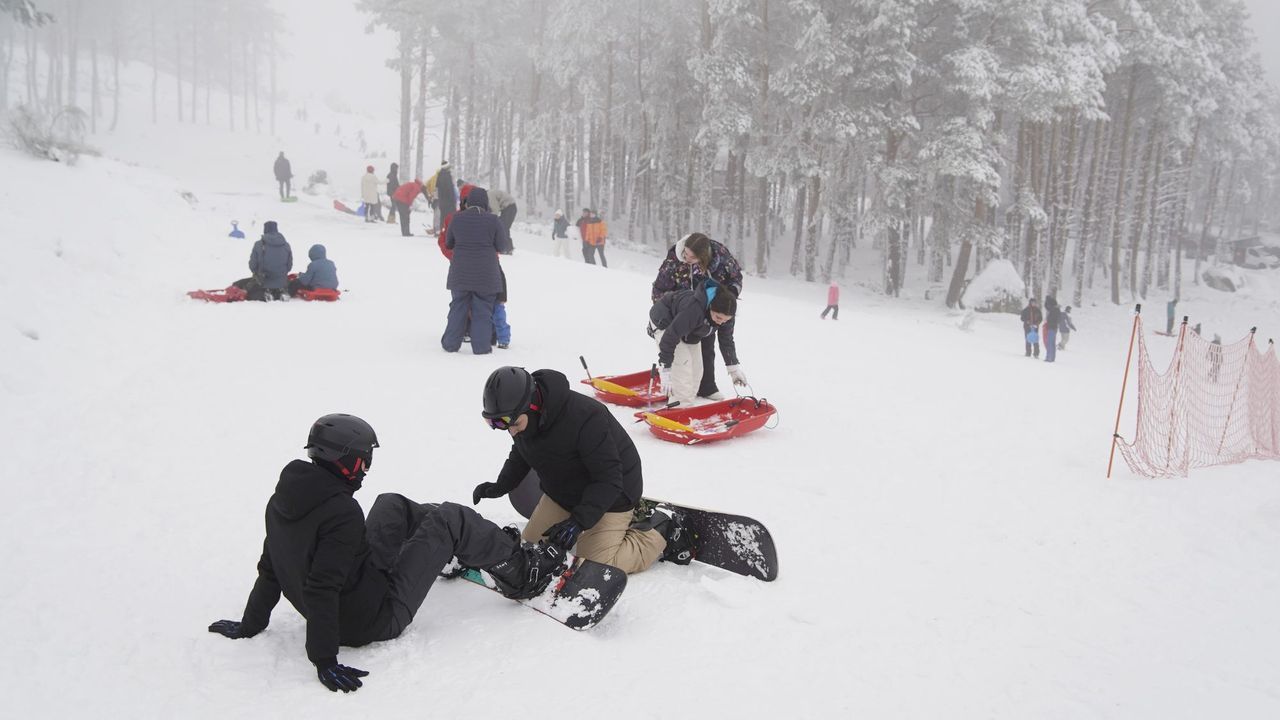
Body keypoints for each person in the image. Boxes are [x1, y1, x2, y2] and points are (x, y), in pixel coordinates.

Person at [207, 414, 567, 694]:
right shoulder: (340, 513)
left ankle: (457, 547)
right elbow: (321, 587)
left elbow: (272, 566)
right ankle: (524, 575)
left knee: (390, 504)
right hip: (374, 617)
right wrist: (323, 659)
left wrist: (250, 624)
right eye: (363, 460)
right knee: (451, 518)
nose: (365, 468)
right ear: (343, 460)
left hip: (361, 586)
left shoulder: (284, 501)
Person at [471, 367, 692, 574]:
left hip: (614, 494)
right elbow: (521, 453)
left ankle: (661, 527)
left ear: (533, 406)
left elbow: (609, 479)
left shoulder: (585, 417)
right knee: (529, 549)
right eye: (497, 424)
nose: (510, 432)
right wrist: (501, 485)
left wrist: (578, 522)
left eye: (513, 423)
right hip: (564, 493)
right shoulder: (525, 424)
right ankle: (603, 527)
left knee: (592, 567)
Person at [651, 232, 745, 399]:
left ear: (703, 256)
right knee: (680, 352)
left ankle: (706, 387)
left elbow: (735, 278)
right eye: (685, 254)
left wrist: (724, 301)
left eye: (692, 257)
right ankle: (679, 392)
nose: (686, 258)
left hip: (715, 305)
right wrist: (665, 318)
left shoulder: (721, 258)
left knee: (705, 348)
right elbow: (661, 286)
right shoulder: (676, 258)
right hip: (680, 309)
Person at [649, 279, 744, 405]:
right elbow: (669, 338)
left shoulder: (727, 312)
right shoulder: (694, 310)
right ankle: (679, 408)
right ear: (710, 307)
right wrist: (666, 369)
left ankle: (687, 402)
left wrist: (733, 369)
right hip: (665, 321)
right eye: (718, 318)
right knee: (682, 367)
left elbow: (726, 340)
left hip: (689, 329)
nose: (721, 322)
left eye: (725, 320)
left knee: (696, 370)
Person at [442, 187, 511, 354]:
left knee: (458, 308)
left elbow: (448, 243)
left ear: (468, 202)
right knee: (483, 311)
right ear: (485, 203)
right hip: (486, 275)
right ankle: (481, 347)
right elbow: (502, 246)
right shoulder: (493, 220)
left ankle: (450, 344)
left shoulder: (457, 219)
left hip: (460, 273)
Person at [247, 221, 293, 301]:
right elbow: (289, 266)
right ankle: (281, 292)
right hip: (282, 280)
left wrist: (255, 273)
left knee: (247, 287)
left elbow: (252, 265)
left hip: (264, 280)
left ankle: (266, 294)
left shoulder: (259, 244)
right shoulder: (286, 245)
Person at [490, 189, 518, 253]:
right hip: (509, 208)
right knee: (504, 227)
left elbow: (495, 211)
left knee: (503, 227)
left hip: (509, 208)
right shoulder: (490, 193)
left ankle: (507, 248)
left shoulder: (489, 195)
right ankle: (507, 248)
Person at [1043, 296, 1061, 363]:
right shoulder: (1056, 309)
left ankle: (1049, 357)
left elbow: (1047, 307)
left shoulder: (1054, 310)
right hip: (1054, 328)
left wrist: (1047, 300)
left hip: (1051, 328)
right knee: (1052, 343)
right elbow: (1046, 307)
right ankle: (1052, 357)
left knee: (1050, 343)